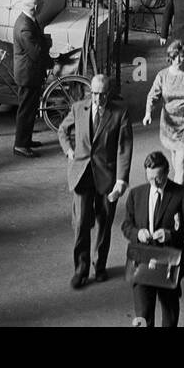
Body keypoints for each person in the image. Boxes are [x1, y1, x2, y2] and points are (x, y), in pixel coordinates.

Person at [58, 72, 132, 289]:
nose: (98, 99)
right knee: (81, 224)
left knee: (104, 223)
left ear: (109, 93)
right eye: (94, 93)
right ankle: (80, 270)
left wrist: (121, 180)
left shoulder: (120, 113)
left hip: (107, 177)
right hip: (82, 175)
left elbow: (124, 147)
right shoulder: (78, 108)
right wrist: (68, 150)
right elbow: (63, 130)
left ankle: (100, 266)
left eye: (102, 94)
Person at [121, 150, 184, 328]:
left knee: (169, 312)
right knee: (143, 315)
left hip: (167, 261)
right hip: (142, 261)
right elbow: (126, 226)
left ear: (167, 172)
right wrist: (138, 233)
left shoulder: (181, 194)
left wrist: (170, 234)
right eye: (150, 178)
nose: (154, 182)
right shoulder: (135, 195)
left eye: (158, 178)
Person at [143, 41, 184, 186]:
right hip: (169, 124)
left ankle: (179, 196)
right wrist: (148, 113)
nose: (178, 60)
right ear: (170, 57)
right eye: (175, 56)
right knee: (175, 154)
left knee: (181, 160)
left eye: (182, 57)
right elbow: (152, 96)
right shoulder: (162, 76)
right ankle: (178, 184)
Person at [12, 0, 51, 158]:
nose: (43, 8)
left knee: (30, 108)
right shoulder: (25, 27)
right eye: (41, 6)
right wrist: (51, 61)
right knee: (26, 110)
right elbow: (36, 52)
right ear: (36, 7)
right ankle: (20, 145)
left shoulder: (28, 20)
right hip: (28, 74)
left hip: (30, 72)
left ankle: (26, 140)